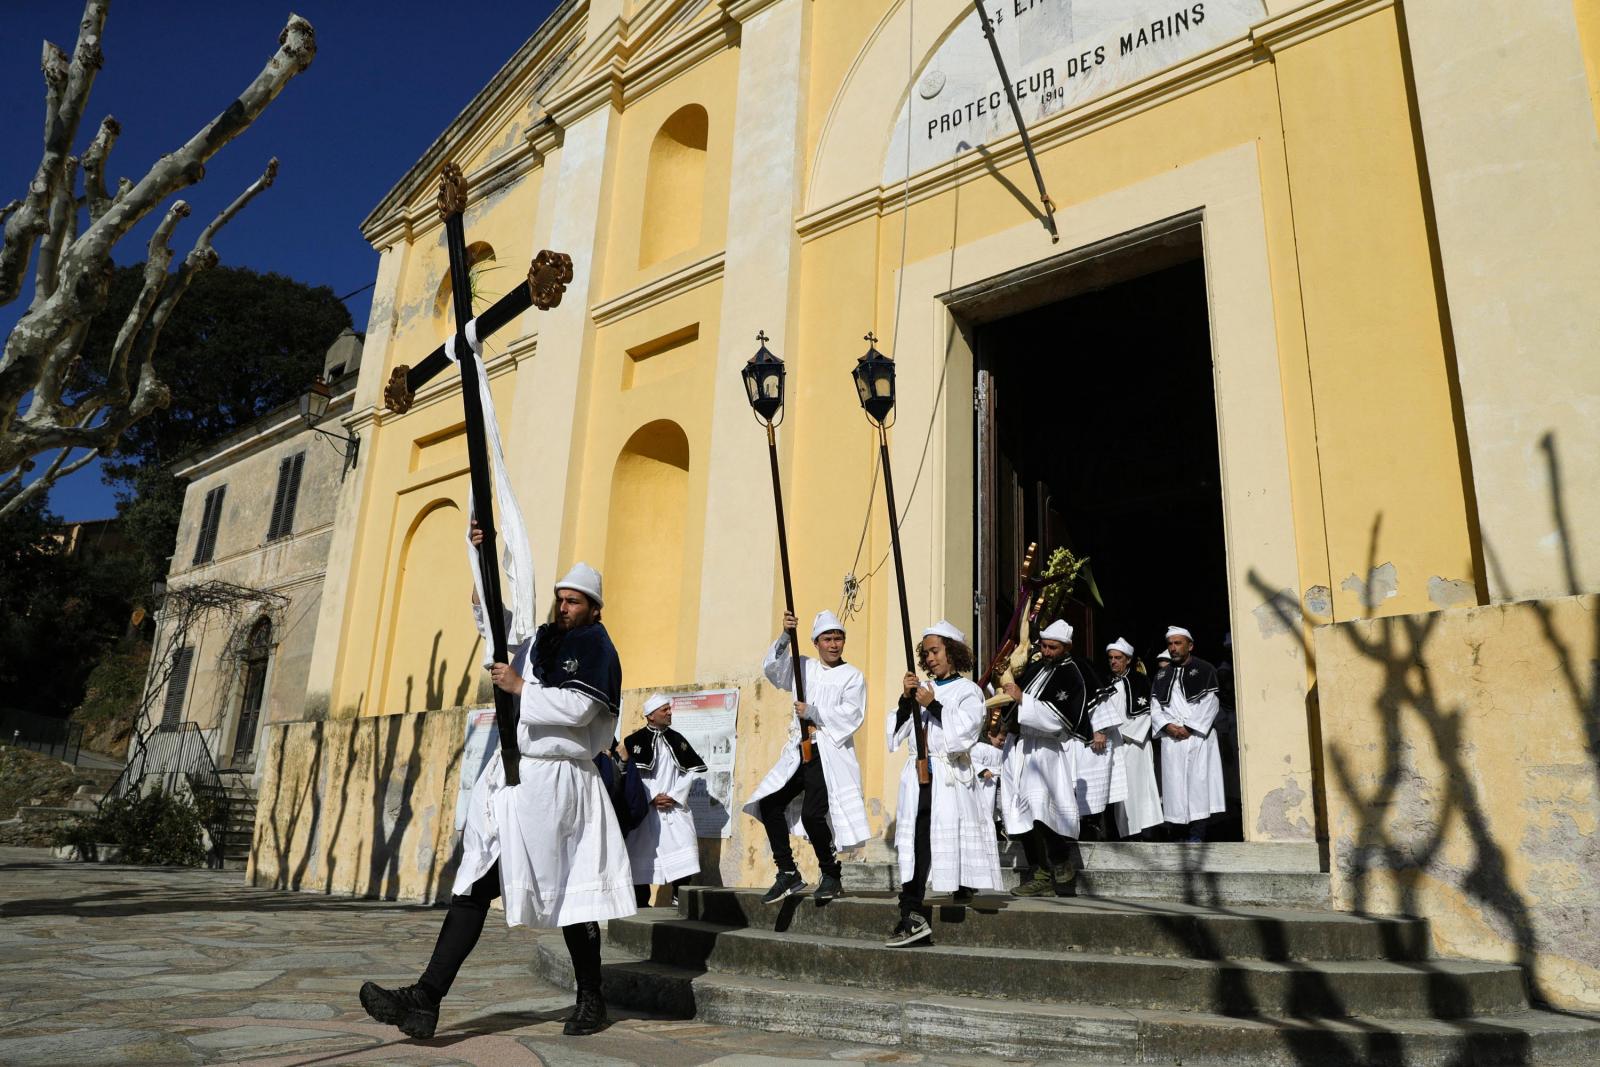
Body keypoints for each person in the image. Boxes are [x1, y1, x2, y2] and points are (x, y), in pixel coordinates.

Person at [359, 561, 633, 1040]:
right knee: (476, 883)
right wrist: (479, 555)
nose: (564, 607)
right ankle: (426, 1000)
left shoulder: (597, 647)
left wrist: (521, 688)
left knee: (570, 894)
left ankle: (592, 998)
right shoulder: (542, 641)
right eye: (561, 598)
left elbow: (580, 708)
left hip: (560, 785)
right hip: (517, 779)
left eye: (574, 601)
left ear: (594, 608)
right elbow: (493, 622)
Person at [886, 620, 1000, 947]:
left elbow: (963, 734)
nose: (930, 658)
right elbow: (898, 736)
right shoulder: (922, 688)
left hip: (946, 778)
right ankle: (913, 911)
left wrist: (931, 704)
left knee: (925, 841)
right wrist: (905, 701)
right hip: (919, 775)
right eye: (926, 653)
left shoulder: (968, 691)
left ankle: (913, 914)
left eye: (936, 651)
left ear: (952, 652)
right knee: (916, 843)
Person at [744, 609, 870, 905]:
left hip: (828, 754)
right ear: (816, 642)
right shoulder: (804, 667)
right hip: (800, 751)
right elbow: (773, 670)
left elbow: (853, 714)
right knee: (769, 803)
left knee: (813, 815)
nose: (834, 644)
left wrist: (814, 712)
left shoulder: (852, 676)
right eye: (828, 639)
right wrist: (786, 636)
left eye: (838, 638)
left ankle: (830, 873)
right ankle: (787, 870)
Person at [996, 620, 1096, 897]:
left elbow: (1059, 718)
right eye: (1044, 645)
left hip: (1045, 751)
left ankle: (1060, 861)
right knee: (1021, 814)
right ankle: (1040, 872)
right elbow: (1014, 702)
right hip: (1020, 748)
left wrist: (1022, 701)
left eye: (1053, 647)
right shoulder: (1036, 667)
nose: (1047, 651)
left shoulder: (1072, 674)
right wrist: (1006, 722)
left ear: (1066, 648)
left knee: (1040, 810)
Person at [624, 693, 705, 908]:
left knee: (684, 846)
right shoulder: (633, 742)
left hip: (673, 807)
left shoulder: (678, 740)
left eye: (669, 709)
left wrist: (674, 796)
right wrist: (651, 798)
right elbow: (632, 776)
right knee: (640, 853)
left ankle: (680, 898)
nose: (670, 713)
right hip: (645, 809)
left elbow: (690, 771)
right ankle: (640, 904)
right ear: (650, 715)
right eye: (664, 709)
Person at [1150, 625, 1226, 842]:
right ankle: (1177, 833)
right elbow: (1155, 706)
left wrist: (1189, 727)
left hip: (1196, 737)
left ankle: (1197, 834)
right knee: (1174, 786)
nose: (1173, 648)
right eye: (1170, 644)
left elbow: (1211, 702)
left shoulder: (1205, 669)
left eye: (1178, 643)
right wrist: (1167, 726)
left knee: (1198, 786)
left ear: (1190, 645)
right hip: (1172, 739)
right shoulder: (1163, 674)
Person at [1101, 638, 1163, 840]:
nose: (1113, 662)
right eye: (1110, 658)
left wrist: (1125, 736)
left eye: (1118, 658)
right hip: (1110, 746)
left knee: (1136, 789)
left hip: (1132, 745)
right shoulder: (1105, 682)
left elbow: (1147, 714)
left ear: (1127, 660)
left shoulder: (1139, 681)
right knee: (1112, 790)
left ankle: (1140, 833)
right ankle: (1115, 833)